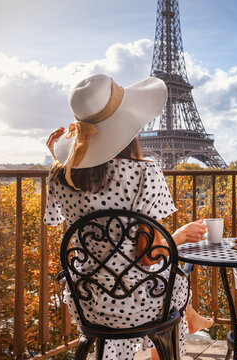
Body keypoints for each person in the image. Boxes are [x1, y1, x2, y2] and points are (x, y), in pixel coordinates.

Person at [44, 74, 212, 360]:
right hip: (139, 303)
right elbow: (149, 257)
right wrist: (181, 235)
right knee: (174, 283)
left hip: (89, 301)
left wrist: (64, 160)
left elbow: (54, 220)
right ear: (127, 125)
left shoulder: (59, 176)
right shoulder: (145, 173)